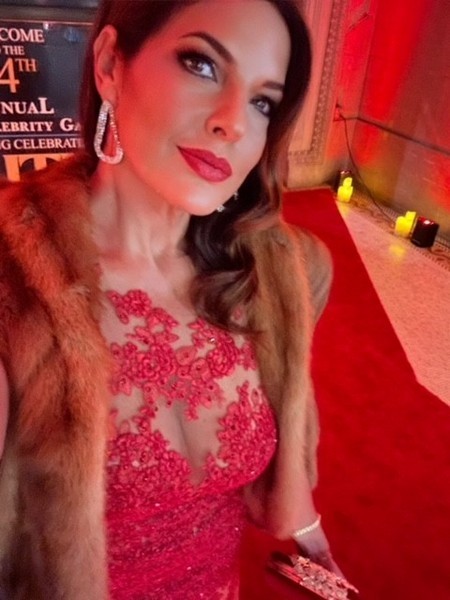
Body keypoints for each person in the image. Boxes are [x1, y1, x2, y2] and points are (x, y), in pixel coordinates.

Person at [0, 0, 341, 598]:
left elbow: (288, 431)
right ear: (110, 64)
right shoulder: (16, 289)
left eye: (263, 102)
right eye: (201, 64)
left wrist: (308, 529)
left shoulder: (276, 275)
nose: (234, 123)